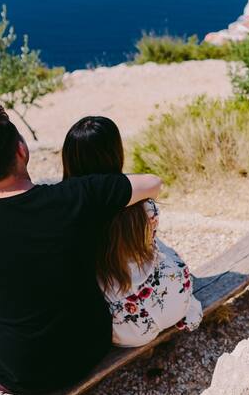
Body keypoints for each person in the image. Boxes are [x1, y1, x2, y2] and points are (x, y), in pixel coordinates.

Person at [0, 105, 161, 395]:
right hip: (92, 346)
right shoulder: (76, 196)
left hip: (23, 375)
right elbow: (153, 183)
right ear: (21, 150)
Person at [62, 116, 202, 347]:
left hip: (129, 327)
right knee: (156, 245)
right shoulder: (141, 202)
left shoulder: (69, 214)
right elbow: (154, 183)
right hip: (176, 298)